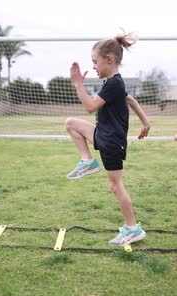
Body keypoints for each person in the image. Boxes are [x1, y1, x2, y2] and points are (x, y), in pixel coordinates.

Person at [65, 32, 151, 246]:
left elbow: (90, 107)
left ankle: (133, 229)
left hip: (111, 142)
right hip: (103, 135)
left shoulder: (113, 84)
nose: (93, 66)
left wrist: (78, 84)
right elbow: (132, 100)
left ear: (109, 59)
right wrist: (146, 123)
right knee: (70, 124)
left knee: (115, 185)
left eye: (95, 61)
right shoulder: (114, 83)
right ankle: (87, 161)